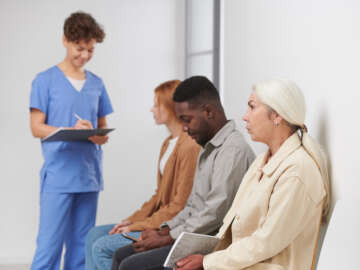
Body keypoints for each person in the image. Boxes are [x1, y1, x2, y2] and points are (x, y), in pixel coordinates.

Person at [174, 79, 331, 270]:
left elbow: (266, 242)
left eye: (251, 107)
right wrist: (204, 256)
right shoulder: (263, 161)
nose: (244, 117)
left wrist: (207, 262)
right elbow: (231, 224)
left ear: (277, 116)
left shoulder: (298, 171)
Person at [111, 76, 256, 270]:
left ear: (208, 112)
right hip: (192, 237)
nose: (185, 128)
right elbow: (192, 206)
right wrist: (164, 230)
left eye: (187, 120)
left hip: (212, 246)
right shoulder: (207, 148)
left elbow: (214, 214)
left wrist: (168, 238)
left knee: (131, 266)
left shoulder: (232, 151)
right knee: (122, 255)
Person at [85, 80, 201, 270]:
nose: (151, 109)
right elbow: (158, 195)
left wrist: (137, 227)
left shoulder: (189, 147)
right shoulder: (168, 143)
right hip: (155, 221)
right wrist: (130, 221)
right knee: (93, 235)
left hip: (167, 227)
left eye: (156, 104)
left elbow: (178, 206)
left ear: (171, 108)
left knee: (102, 246)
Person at [29, 12, 113, 270]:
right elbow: (36, 127)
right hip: (58, 177)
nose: (85, 55)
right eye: (80, 48)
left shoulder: (97, 84)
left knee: (80, 248)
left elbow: (103, 136)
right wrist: (67, 129)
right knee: (49, 247)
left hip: (88, 177)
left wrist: (92, 132)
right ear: (65, 40)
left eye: (90, 50)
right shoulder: (45, 81)